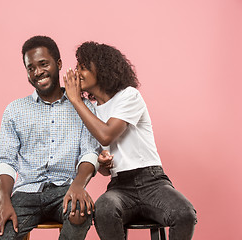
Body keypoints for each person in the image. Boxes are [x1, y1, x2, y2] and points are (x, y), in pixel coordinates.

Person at [63, 41, 197, 240]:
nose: (77, 72)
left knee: (183, 213)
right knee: (104, 210)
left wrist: (75, 100)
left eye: (83, 67)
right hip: (119, 186)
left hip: (152, 181)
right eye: (77, 67)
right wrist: (102, 163)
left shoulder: (129, 96)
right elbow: (104, 168)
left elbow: (106, 134)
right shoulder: (90, 112)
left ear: (100, 70)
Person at [0, 36, 100, 240]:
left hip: (64, 191)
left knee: (80, 211)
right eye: (31, 68)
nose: (37, 72)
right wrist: (4, 202)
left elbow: (90, 152)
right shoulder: (15, 110)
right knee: (0, 233)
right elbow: (5, 161)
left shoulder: (83, 108)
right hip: (25, 194)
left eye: (43, 64)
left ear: (58, 64)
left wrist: (78, 186)